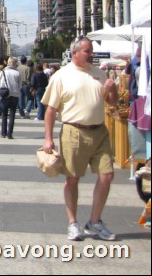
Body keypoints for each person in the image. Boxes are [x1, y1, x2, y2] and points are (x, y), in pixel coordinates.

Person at [41, 37, 118, 242]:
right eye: (87, 51)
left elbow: (112, 103)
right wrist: (48, 138)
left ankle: (94, 221)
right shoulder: (62, 76)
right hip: (73, 131)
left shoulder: (99, 73)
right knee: (72, 178)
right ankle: (73, 223)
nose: (91, 54)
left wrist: (112, 90)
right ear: (75, 53)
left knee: (107, 175)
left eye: (91, 50)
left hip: (99, 131)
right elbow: (50, 110)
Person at [0, 57, 22, 139]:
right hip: (14, 95)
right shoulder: (18, 73)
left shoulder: (3, 72)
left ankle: (3, 133)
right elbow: (20, 86)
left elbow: (0, 83)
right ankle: (10, 134)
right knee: (12, 115)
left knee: (4, 114)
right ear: (15, 63)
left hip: (5, 94)